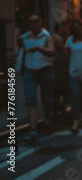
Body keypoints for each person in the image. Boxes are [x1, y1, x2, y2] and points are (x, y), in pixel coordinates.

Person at [15, 14, 55, 143]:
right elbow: (19, 46)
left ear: (41, 22)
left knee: (47, 98)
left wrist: (38, 48)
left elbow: (52, 51)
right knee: (30, 99)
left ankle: (48, 122)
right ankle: (33, 129)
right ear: (28, 24)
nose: (35, 23)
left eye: (37, 21)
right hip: (29, 70)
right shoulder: (25, 37)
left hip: (45, 69)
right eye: (32, 22)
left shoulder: (46, 35)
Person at [52, 20, 71, 123]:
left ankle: (61, 110)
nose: (67, 29)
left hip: (62, 65)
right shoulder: (57, 38)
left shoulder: (62, 37)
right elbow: (65, 51)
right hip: (59, 66)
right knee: (58, 88)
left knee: (62, 88)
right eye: (65, 27)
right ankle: (56, 112)